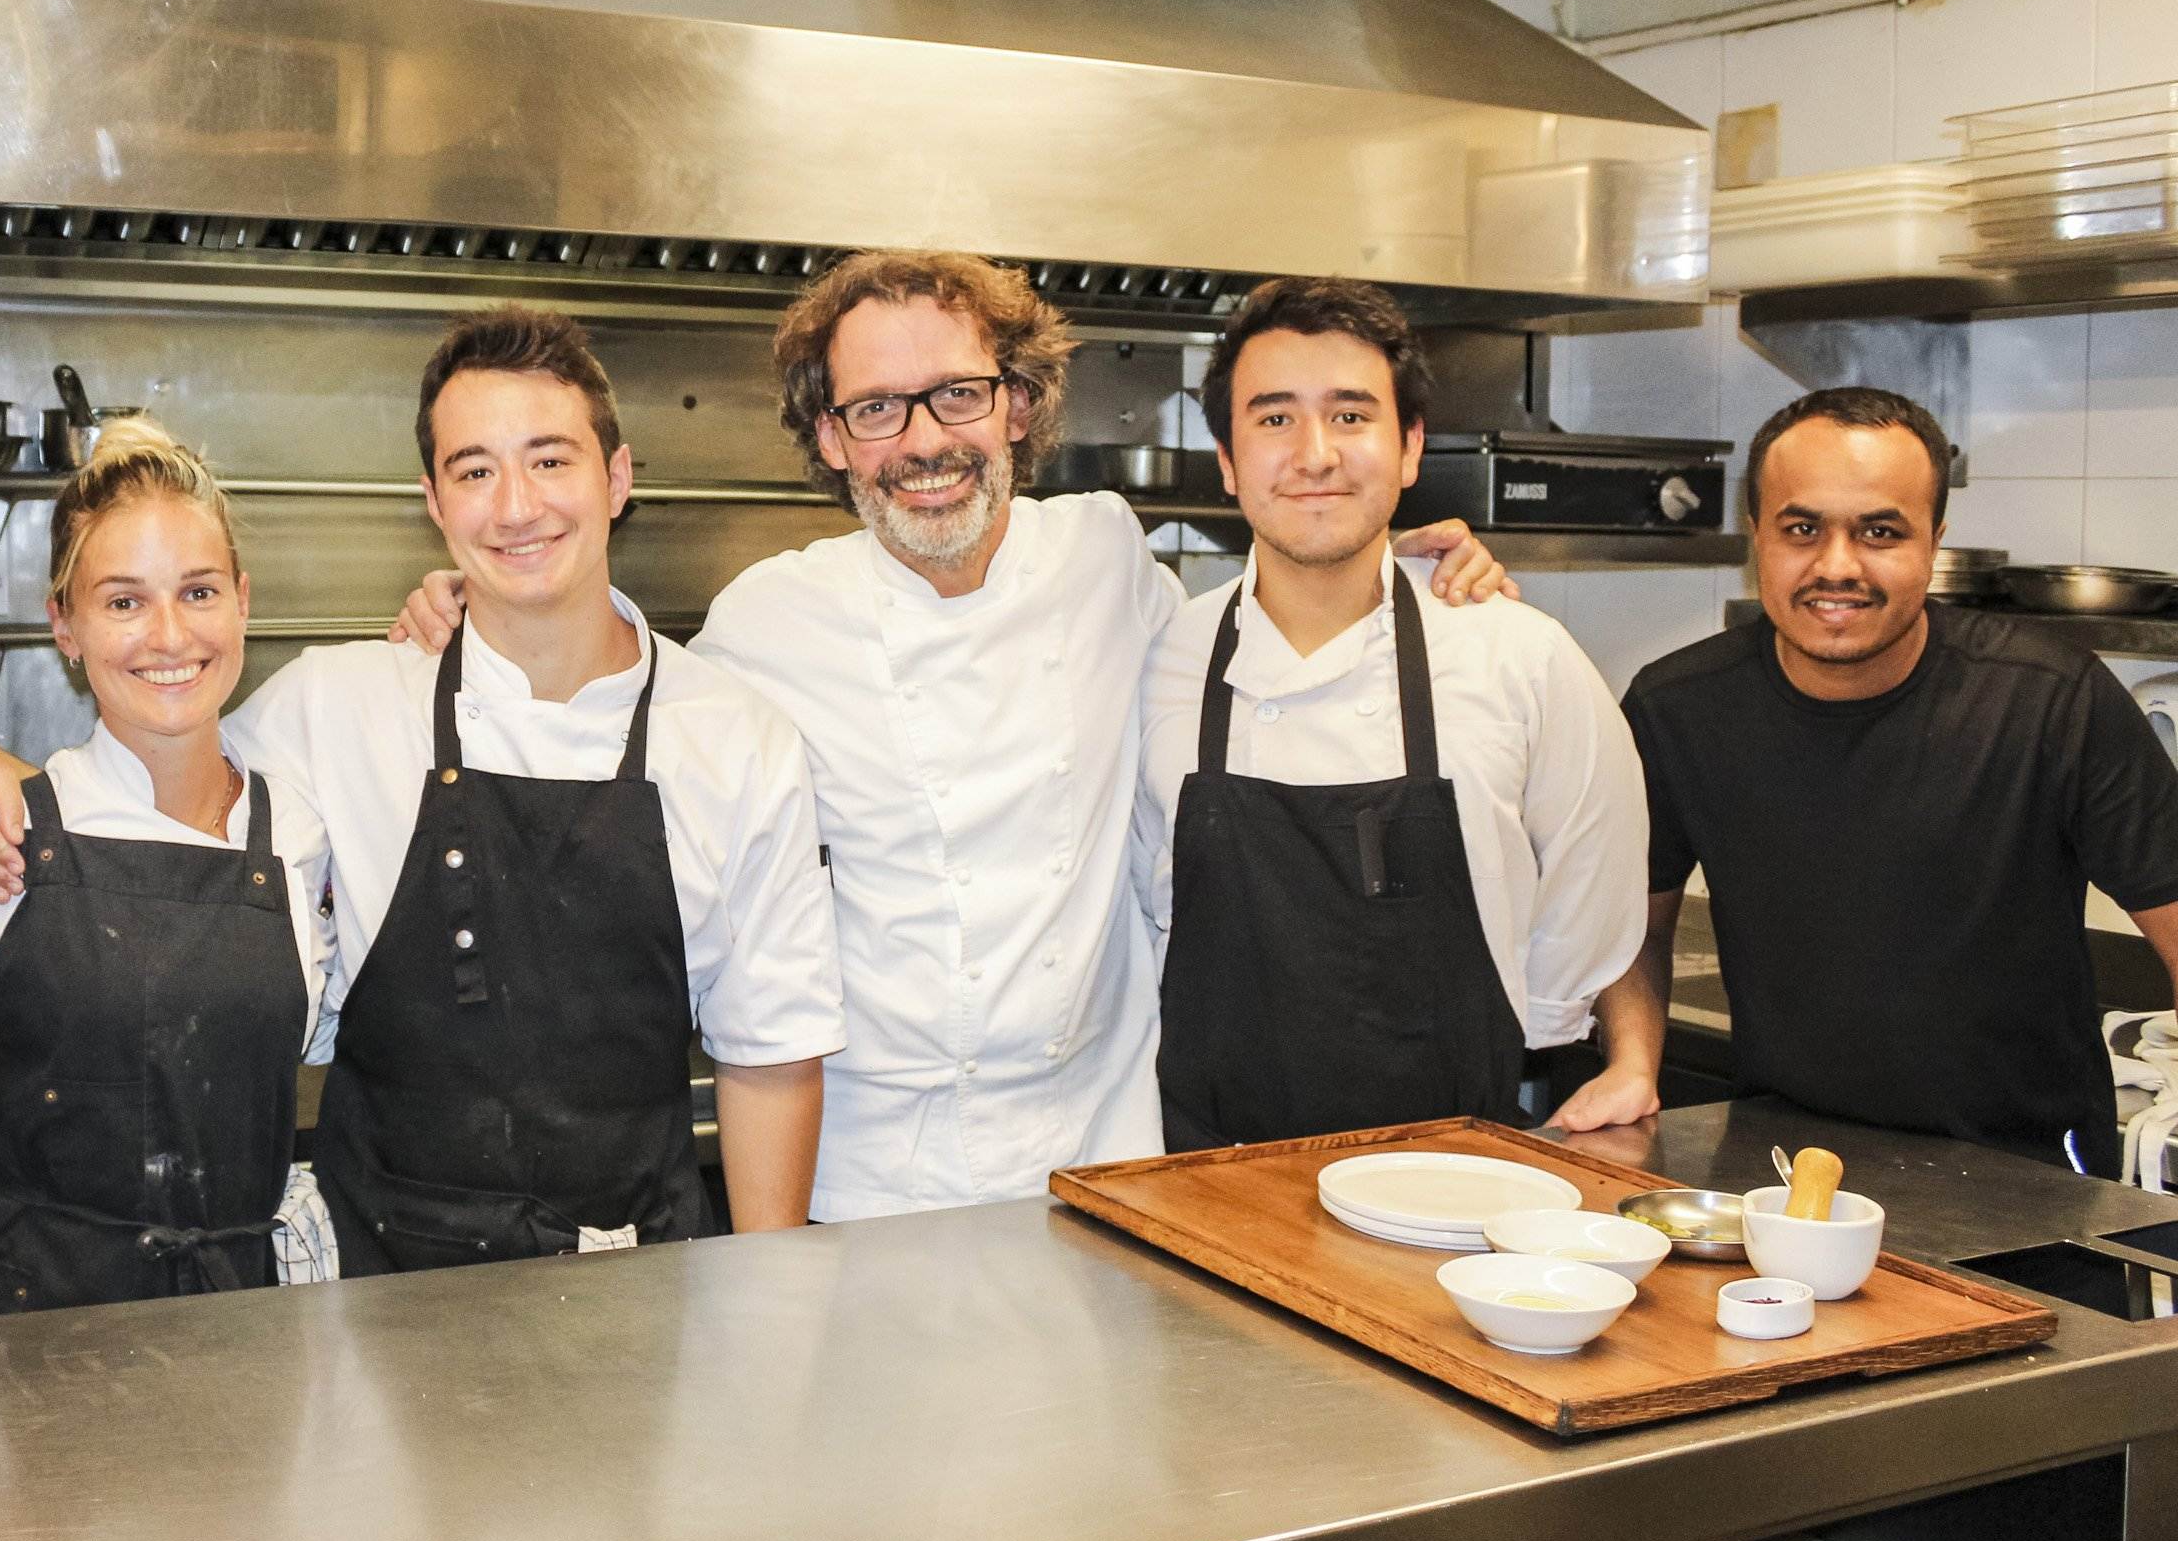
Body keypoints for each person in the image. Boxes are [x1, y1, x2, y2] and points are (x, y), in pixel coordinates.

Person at [390, 251, 1511, 1221]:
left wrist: (1385, 557)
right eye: (876, 408)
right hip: (869, 1181)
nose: (923, 441)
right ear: (831, 439)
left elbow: (1265, 636)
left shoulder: (1109, 557)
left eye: (959, 395)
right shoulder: (765, 622)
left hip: (1108, 1162)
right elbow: (599, 714)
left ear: (1021, 404)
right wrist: (479, 608)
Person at [0, 306, 846, 1271]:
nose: (516, 506)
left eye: (551, 460)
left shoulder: (740, 742)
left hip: (633, 1278)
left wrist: (765, 1310)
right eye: (475, 470)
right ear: (435, 504)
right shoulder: (336, 704)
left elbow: (770, 1054)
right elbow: (149, 777)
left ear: (617, 479)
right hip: (379, 1301)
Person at [1572, 386, 2178, 1167]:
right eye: (1801, 528)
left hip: (2028, 1172)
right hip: (1783, 1167)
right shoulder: (1679, 707)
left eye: (1881, 531)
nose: (1837, 567)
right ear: (1758, 535)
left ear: (1934, 542)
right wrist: (1632, 1064)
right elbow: (1636, 925)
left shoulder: (2047, 700)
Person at [1135, 277, 1649, 1149]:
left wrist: (1591, 1046)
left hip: (1458, 1172)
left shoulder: (1518, 655)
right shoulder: (1158, 658)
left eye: (1349, 415)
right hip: (1203, 1173)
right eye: (1273, 419)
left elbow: (1593, 887)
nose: (1315, 455)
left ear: (1410, 448)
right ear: (1225, 458)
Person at [0, 417, 340, 1308]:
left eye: (197, 592)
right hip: (41, 1327)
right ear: (63, 628)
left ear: (242, 601)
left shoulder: (297, 833)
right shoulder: (2, 831)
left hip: (242, 1318)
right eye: (122, 602)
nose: (168, 635)